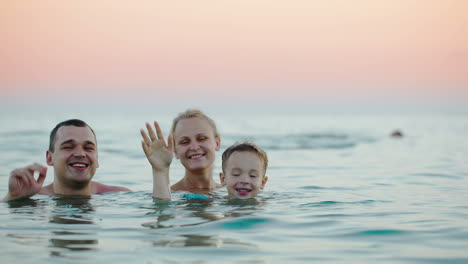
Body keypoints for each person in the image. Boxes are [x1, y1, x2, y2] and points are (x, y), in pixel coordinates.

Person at [2, 119, 131, 202]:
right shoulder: (33, 197)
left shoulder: (119, 196)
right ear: (49, 157)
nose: (80, 154)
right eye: (68, 147)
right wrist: (11, 198)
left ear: (97, 159)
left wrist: (152, 170)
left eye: (88, 148)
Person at [141, 109, 222, 199]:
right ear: (175, 151)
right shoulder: (166, 194)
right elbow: (162, 210)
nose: (194, 147)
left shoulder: (230, 191)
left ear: (217, 143)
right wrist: (160, 171)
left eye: (202, 138)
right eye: (184, 142)